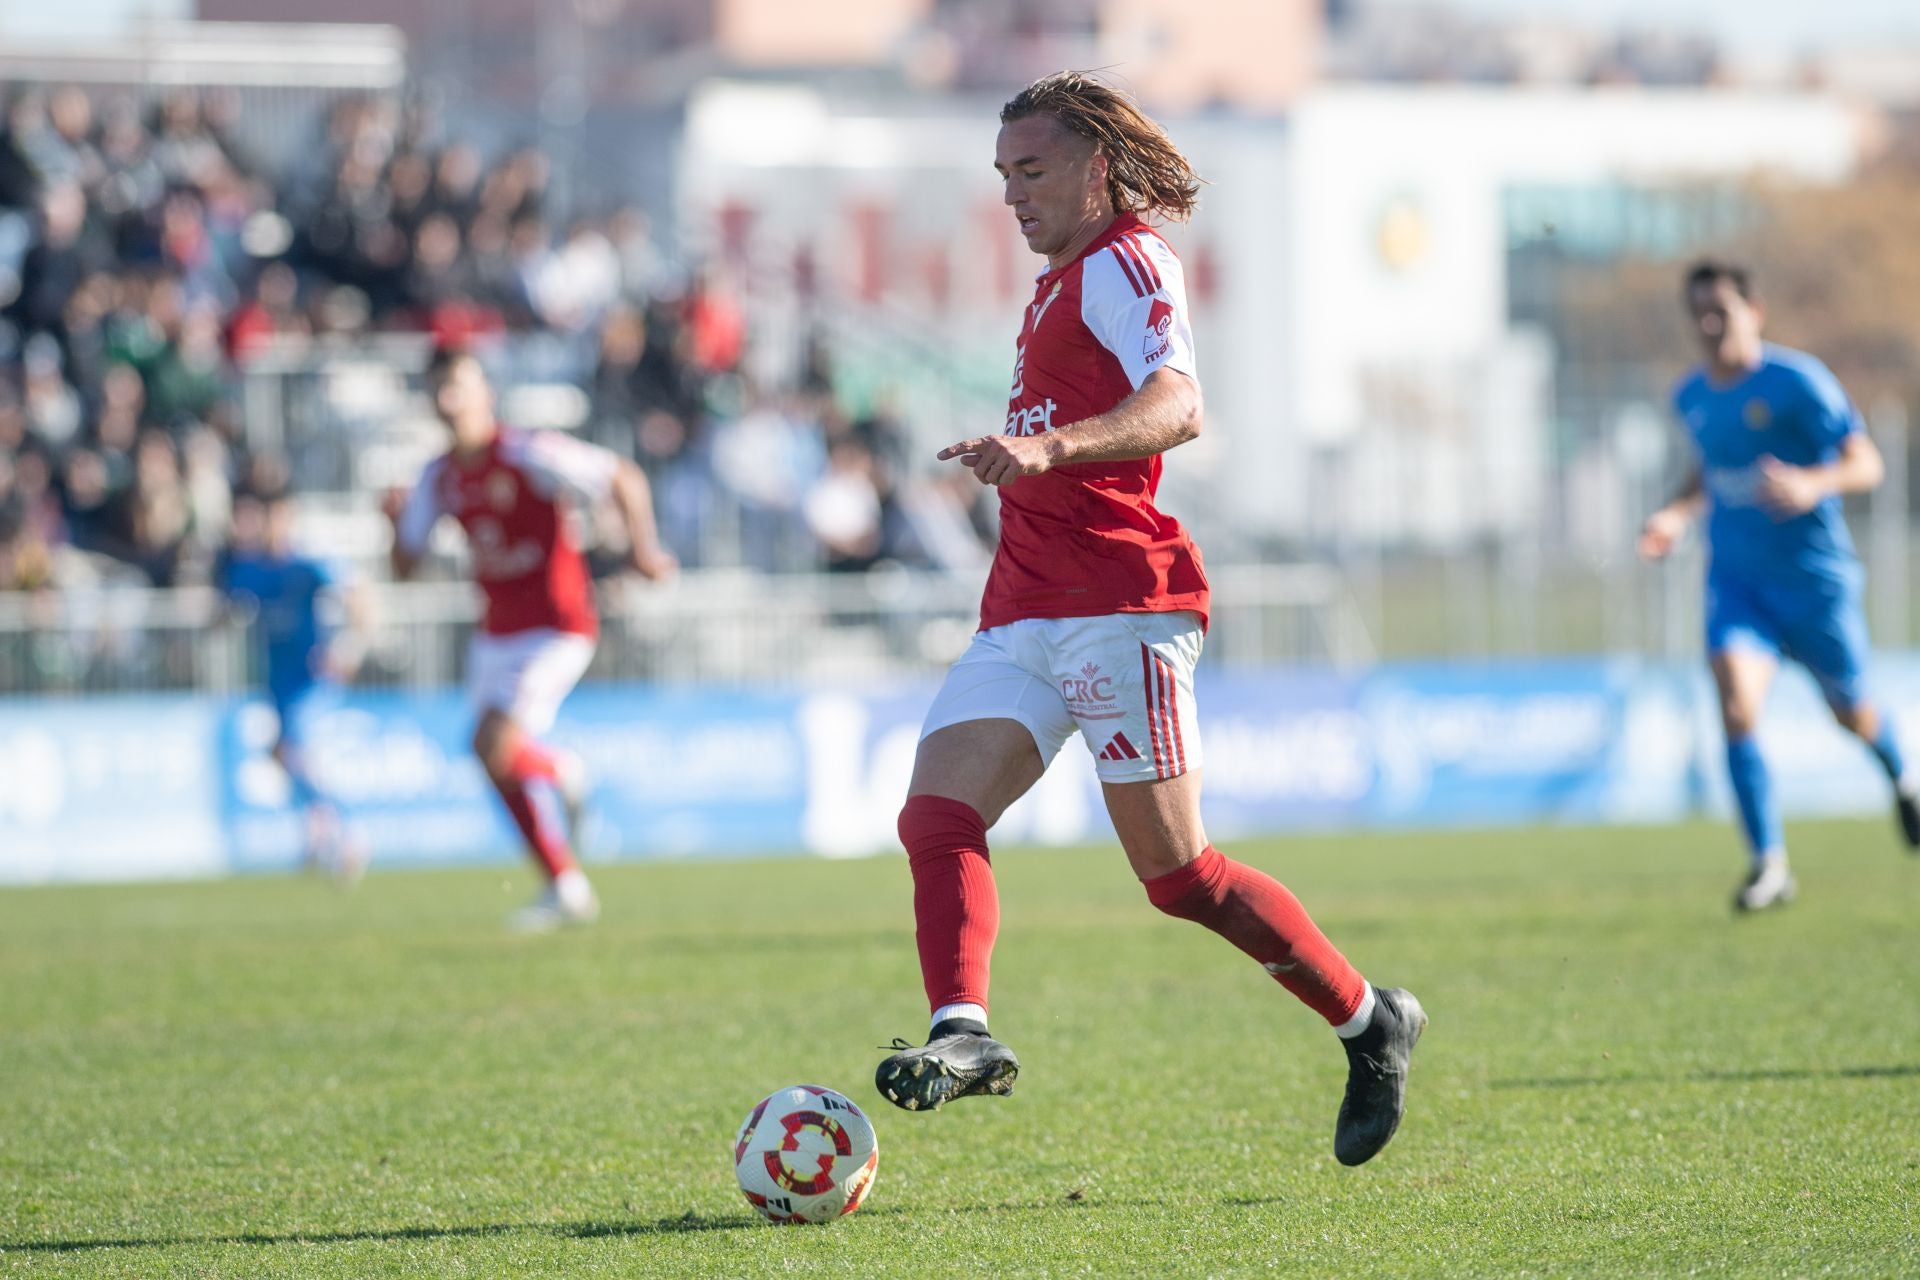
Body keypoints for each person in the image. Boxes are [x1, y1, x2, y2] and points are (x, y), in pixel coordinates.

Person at [872, 72, 1425, 1167]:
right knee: (935, 815)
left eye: (1032, 171)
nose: (1014, 195)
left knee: (1180, 878)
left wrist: (1048, 447)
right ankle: (964, 1029)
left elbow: (1179, 404)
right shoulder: (1054, 281)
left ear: (1094, 165)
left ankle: (1370, 1020)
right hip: (1025, 605)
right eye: (1004, 176)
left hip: (1123, 605)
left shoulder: (1129, 258)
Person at [1640, 259, 1919, 911]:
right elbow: (1705, 471)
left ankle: (1903, 778)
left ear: (1753, 311)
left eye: (1721, 311)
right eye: (1698, 314)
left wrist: (1813, 483)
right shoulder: (1692, 395)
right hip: (1739, 585)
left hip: (1815, 584)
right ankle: (1769, 862)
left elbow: (1867, 462)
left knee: (1853, 712)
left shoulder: (1798, 382)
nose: (1709, 325)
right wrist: (1674, 515)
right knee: (1735, 699)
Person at [389, 347, 676, 930]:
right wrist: (391, 524)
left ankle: (564, 773)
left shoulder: (527, 452)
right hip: (496, 632)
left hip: (556, 625)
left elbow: (622, 476)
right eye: (438, 390)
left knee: (493, 743)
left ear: (483, 393)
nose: (448, 401)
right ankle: (564, 885)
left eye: (458, 387)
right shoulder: (438, 476)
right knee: (488, 755)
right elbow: (404, 566)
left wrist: (641, 549)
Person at [220, 485, 371, 882]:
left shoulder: (307, 565)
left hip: (311, 678)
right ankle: (318, 832)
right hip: (277, 681)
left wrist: (348, 649)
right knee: (285, 756)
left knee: (292, 752)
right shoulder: (248, 568)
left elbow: (358, 594)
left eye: (275, 518)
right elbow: (228, 607)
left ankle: (347, 832)